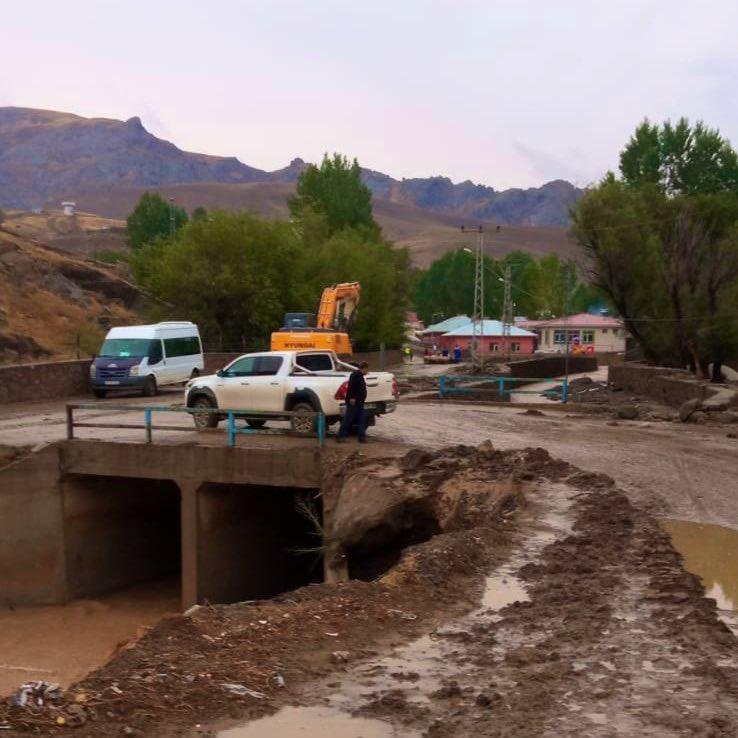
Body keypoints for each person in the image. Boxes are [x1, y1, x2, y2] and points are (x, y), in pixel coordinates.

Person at [337, 361, 369, 443]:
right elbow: (351, 387)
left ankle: (362, 437)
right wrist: (352, 397)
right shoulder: (355, 375)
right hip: (353, 402)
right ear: (364, 368)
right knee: (348, 419)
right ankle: (341, 436)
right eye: (367, 369)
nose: (367, 371)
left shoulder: (360, 376)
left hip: (360, 402)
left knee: (362, 419)